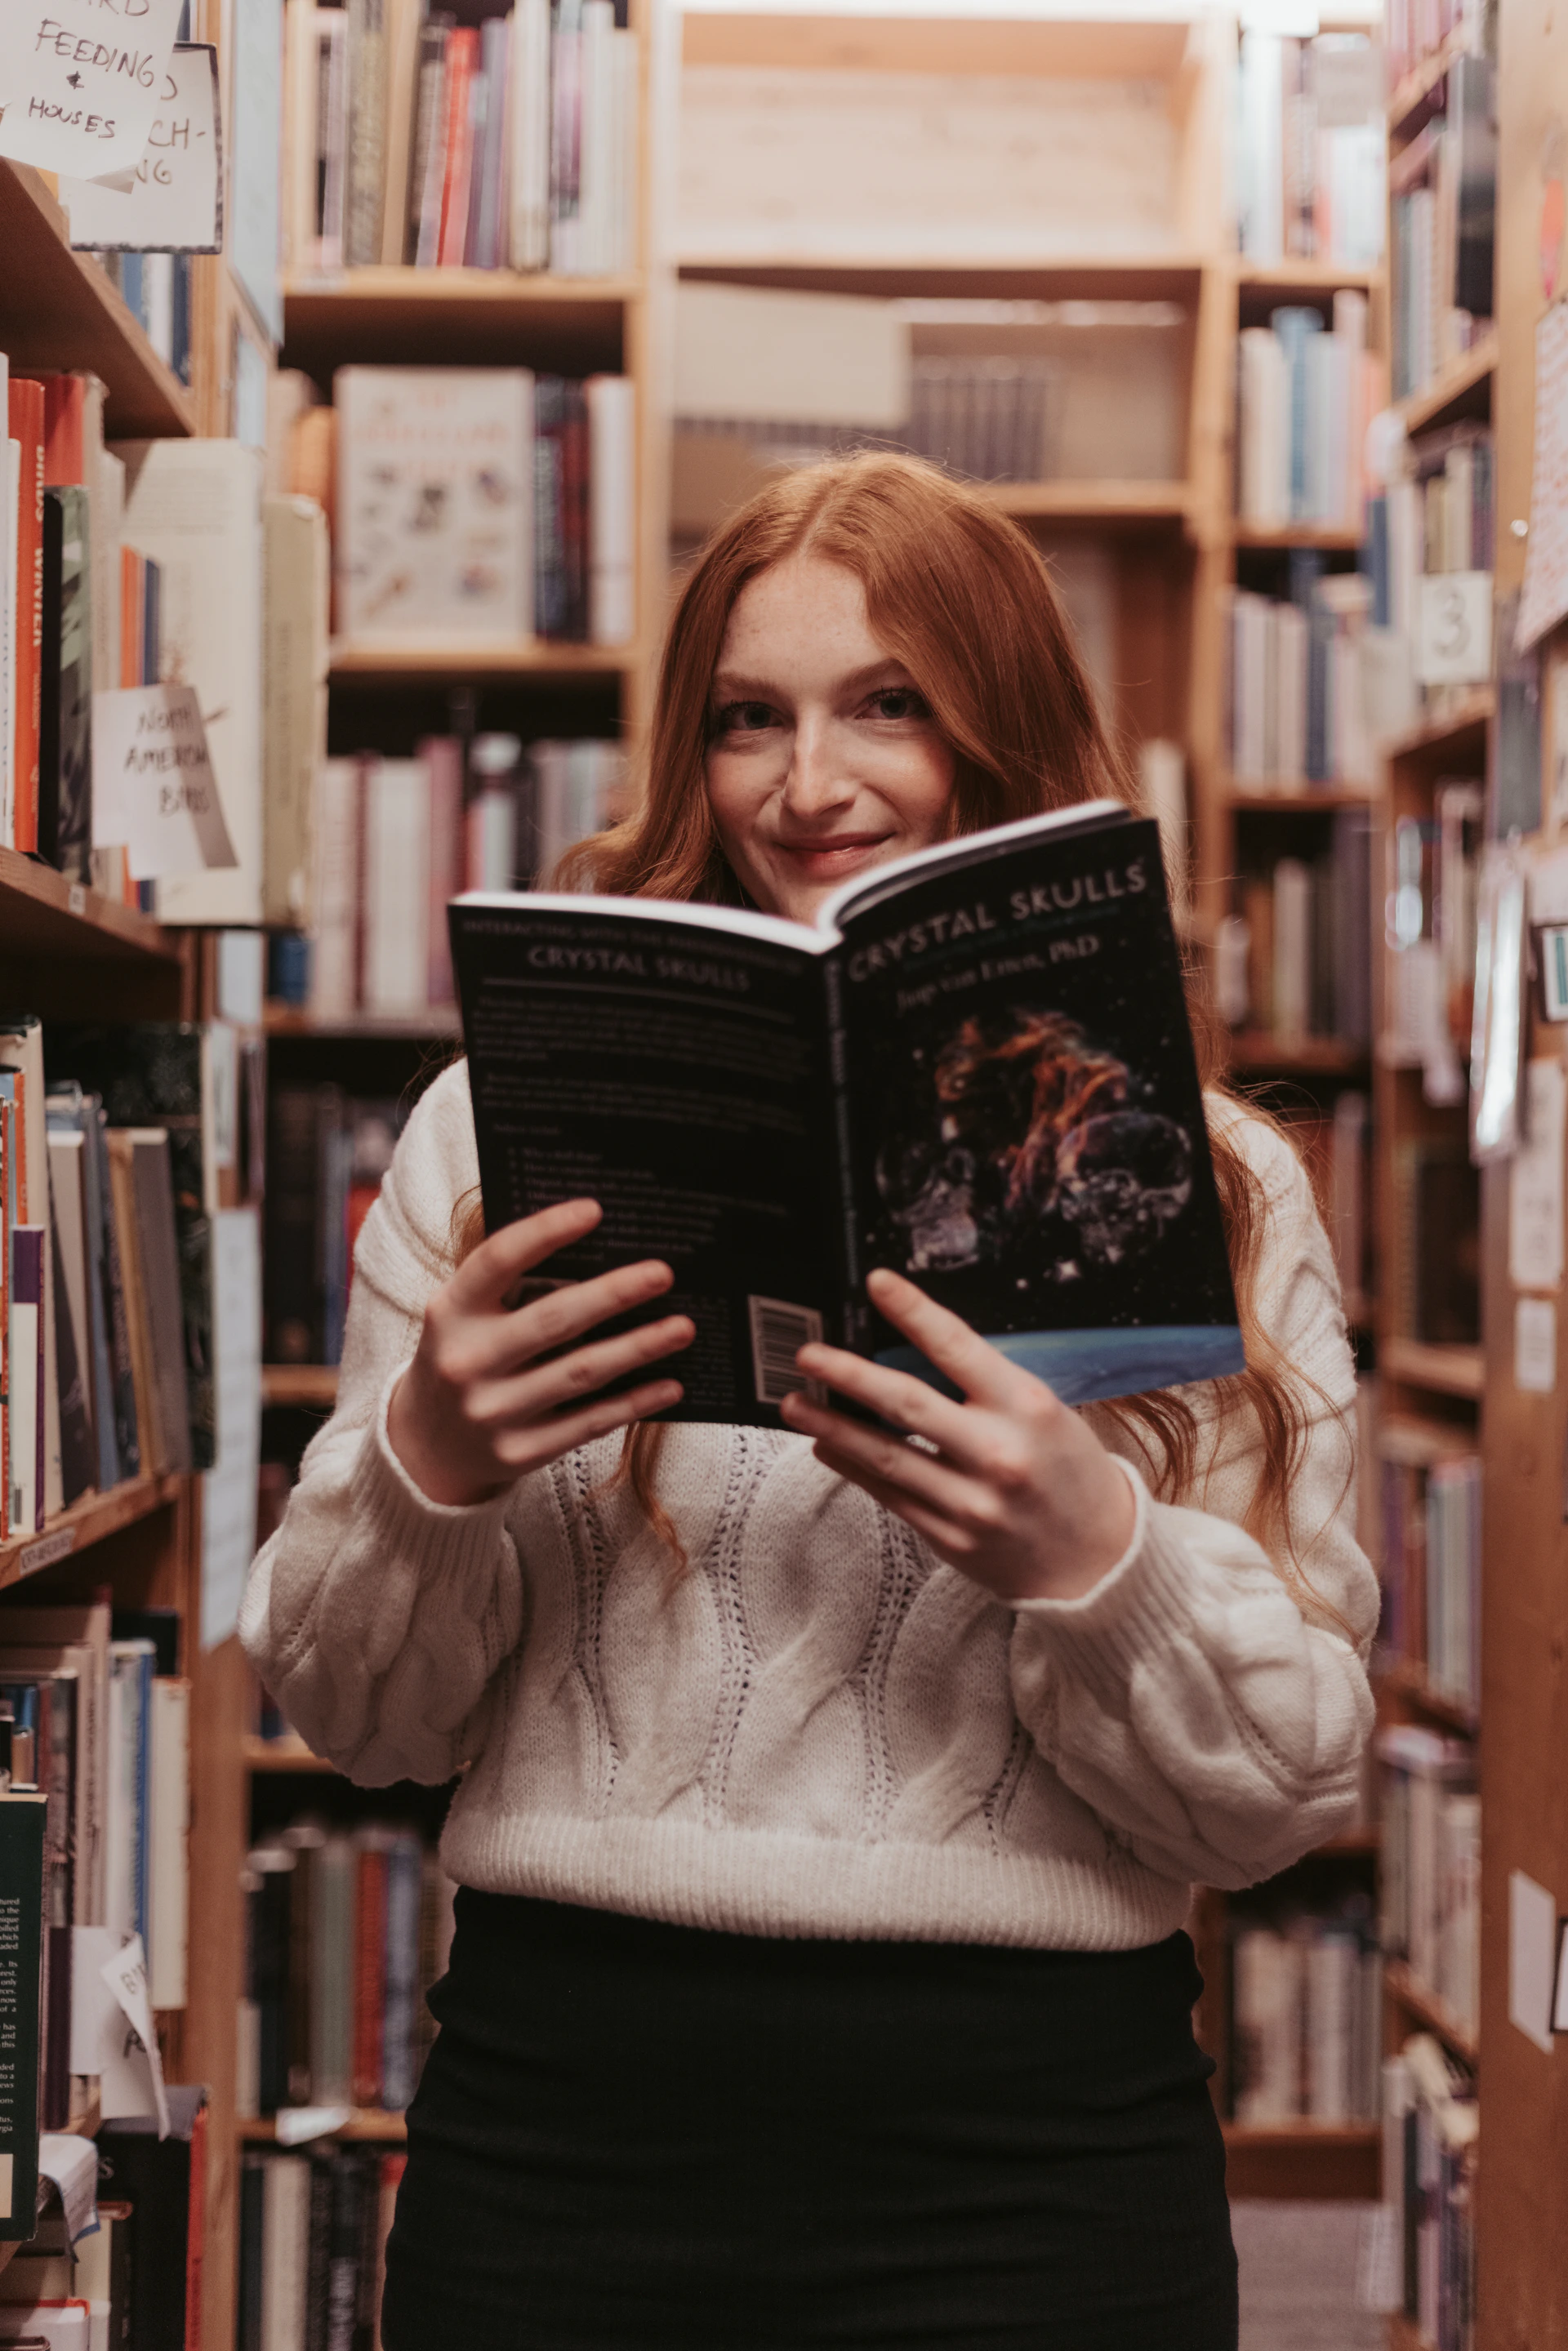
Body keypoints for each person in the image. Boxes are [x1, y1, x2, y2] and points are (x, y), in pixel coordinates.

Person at [241, 454, 1378, 2351]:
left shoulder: (1221, 1179)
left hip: (1031, 2165)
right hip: (565, 2129)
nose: (807, 785)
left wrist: (1096, 1554)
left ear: (1001, 731)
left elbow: (1275, 1799)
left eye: (889, 705)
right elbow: (357, 1718)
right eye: (748, 719)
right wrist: (421, 1463)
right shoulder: (484, 1134)